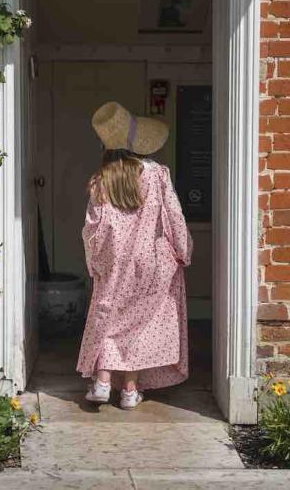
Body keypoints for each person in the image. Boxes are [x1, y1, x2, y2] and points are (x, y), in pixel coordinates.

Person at [76, 101, 193, 410]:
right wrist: (183, 252)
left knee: (110, 319)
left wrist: (94, 263)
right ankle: (129, 390)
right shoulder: (157, 174)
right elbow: (174, 216)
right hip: (153, 263)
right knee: (139, 325)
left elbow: (91, 228)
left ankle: (102, 383)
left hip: (114, 264)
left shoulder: (102, 179)